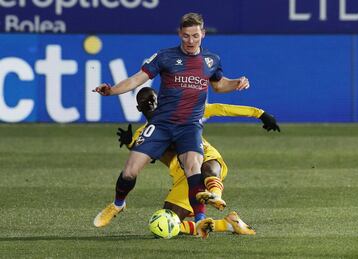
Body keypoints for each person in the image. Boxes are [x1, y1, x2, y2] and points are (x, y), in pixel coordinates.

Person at [92, 13, 250, 237]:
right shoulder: (165, 56)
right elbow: (137, 79)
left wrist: (236, 83)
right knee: (130, 170)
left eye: (195, 36)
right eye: (186, 36)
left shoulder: (211, 60)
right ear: (179, 34)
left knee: (193, 167)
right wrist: (112, 90)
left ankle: (201, 219)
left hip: (189, 126)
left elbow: (219, 85)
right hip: (162, 124)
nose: (191, 41)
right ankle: (118, 204)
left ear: (203, 34)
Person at [116, 87, 280, 237]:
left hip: (205, 157)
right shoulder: (143, 133)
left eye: (152, 98)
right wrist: (130, 143)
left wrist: (260, 114)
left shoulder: (183, 112)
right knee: (167, 227)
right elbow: (139, 153)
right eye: (145, 101)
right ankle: (228, 224)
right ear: (139, 109)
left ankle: (215, 196)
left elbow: (219, 108)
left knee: (206, 167)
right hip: (183, 180)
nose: (151, 102)